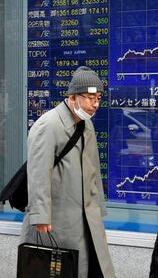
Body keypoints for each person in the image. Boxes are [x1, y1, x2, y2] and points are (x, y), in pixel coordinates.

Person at [20, 66, 115, 278]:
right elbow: (38, 173)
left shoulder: (86, 125)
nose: (96, 104)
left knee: (90, 268)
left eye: (98, 97)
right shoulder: (48, 124)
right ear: (72, 97)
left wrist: (98, 207)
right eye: (90, 98)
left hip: (85, 217)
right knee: (62, 270)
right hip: (56, 220)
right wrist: (40, 215)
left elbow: (94, 170)